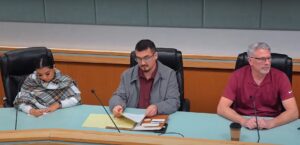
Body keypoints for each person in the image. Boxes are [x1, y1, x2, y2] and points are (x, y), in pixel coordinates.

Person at [217, 42, 298, 130]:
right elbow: (221, 108)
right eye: (262, 59)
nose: (267, 63)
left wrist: (271, 123)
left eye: (269, 58)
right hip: (243, 121)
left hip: (272, 123)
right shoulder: (237, 75)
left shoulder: (281, 77)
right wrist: (243, 121)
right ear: (250, 61)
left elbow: (293, 112)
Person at [109, 39, 180, 117]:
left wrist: (157, 108)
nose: (143, 63)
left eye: (146, 58)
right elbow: (118, 96)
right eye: (139, 59)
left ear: (155, 56)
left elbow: (174, 102)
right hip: (133, 119)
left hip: (156, 118)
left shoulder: (169, 75)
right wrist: (117, 105)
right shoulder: (127, 75)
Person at [14, 54, 81, 117]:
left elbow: (76, 99)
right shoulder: (32, 79)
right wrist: (30, 111)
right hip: (35, 117)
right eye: (40, 75)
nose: (44, 77)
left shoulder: (64, 80)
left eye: (47, 73)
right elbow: (20, 99)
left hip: (59, 114)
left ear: (54, 67)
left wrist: (58, 105)